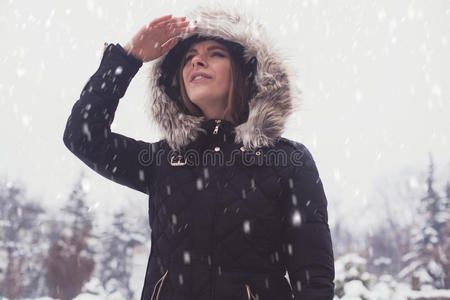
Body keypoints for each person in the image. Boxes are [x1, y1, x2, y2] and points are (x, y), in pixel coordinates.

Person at [63, 5, 335, 300]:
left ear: (245, 71)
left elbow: (313, 279)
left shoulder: (288, 162)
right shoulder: (163, 160)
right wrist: (128, 58)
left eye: (215, 54)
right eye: (188, 58)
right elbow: (82, 136)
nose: (197, 62)